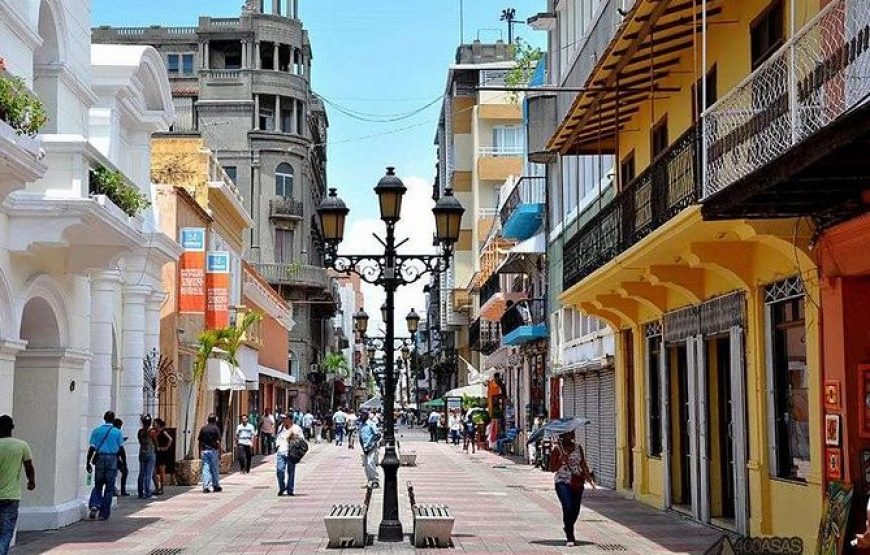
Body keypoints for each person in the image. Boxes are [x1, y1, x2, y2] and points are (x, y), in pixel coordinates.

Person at [550, 432, 595, 547]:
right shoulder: (557, 449)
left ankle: (568, 526)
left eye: (573, 433)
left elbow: (582, 463)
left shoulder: (578, 447)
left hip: (577, 481)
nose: (572, 436)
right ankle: (570, 535)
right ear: (563, 436)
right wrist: (561, 460)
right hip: (562, 481)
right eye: (569, 434)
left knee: (575, 510)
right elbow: (552, 468)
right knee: (568, 506)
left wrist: (589, 478)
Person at [0, 415, 35, 555]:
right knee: (7, 531)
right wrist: (31, 481)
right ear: (12, 428)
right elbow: (29, 466)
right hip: (11, 495)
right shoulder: (22, 445)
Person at [86, 410, 124, 520]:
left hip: (100, 458)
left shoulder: (97, 431)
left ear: (104, 418)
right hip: (112, 459)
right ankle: (103, 513)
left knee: (98, 484)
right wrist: (122, 463)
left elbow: (92, 448)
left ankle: (94, 505)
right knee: (109, 488)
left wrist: (88, 462)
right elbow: (121, 449)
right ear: (113, 419)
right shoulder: (117, 432)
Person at [275, 414, 303, 496]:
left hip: (292, 452)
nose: (283, 420)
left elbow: (301, 440)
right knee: (279, 470)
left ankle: (290, 489)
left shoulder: (296, 428)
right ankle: (282, 487)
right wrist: (277, 445)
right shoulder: (280, 427)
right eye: (282, 419)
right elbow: (278, 437)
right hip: (281, 451)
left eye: (285, 419)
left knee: (291, 472)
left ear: (290, 419)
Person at [198, 414, 223, 494]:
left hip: (205, 451)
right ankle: (215, 485)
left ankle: (205, 486)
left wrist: (200, 451)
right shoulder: (216, 429)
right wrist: (220, 451)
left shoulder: (203, 428)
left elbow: (200, 441)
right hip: (213, 451)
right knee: (214, 469)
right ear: (215, 420)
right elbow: (218, 441)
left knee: (206, 468)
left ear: (208, 420)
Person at [358, 411, 381, 489]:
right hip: (364, 448)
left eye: (363, 415)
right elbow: (360, 436)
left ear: (366, 416)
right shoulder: (361, 425)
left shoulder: (371, 424)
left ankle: (375, 481)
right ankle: (370, 481)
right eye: (360, 414)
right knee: (366, 465)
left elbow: (377, 435)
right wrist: (362, 447)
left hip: (372, 447)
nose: (361, 416)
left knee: (370, 463)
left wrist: (372, 444)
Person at [137, 415, 157, 499]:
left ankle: (140, 492)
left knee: (141, 473)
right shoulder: (151, 432)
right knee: (148, 473)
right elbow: (155, 441)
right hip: (150, 452)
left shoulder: (140, 432)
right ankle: (147, 492)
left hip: (142, 453)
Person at [153, 418, 173, 494]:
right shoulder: (154, 432)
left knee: (161, 471)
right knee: (154, 470)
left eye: (155, 423)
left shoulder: (163, 431)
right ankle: (157, 487)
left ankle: (162, 488)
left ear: (158, 424)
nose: (153, 425)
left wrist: (165, 447)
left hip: (162, 452)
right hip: (156, 452)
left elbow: (170, 439)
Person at [113, 419, 130, 497]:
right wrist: (124, 461)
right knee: (123, 472)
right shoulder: (117, 432)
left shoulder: (112, 432)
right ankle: (122, 490)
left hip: (113, 456)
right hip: (115, 456)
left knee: (113, 474)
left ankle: (114, 489)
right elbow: (121, 447)